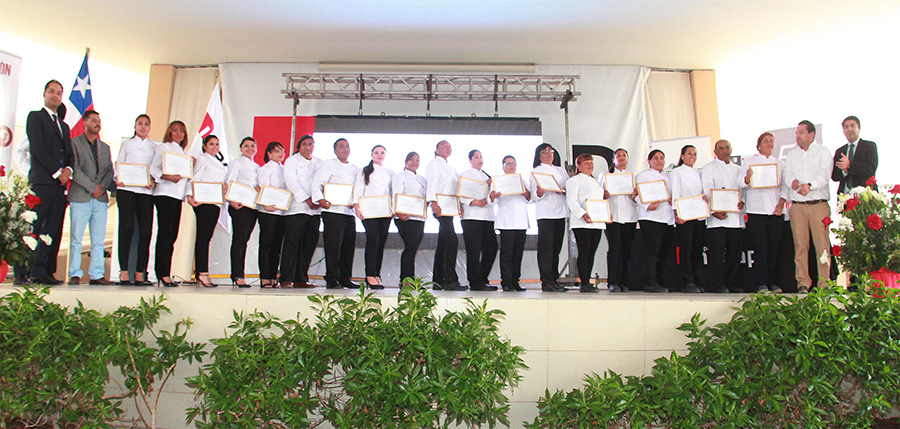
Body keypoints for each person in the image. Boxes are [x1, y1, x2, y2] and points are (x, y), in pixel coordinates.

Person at [24, 80, 74, 285]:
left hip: (59, 186)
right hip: (43, 182)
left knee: (51, 229)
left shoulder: (64, 125)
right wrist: (56, 172)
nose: (55, 95)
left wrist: (68, 171)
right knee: (34, 227)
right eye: (52, 91)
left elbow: (69, 154)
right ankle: (23, 270)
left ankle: (42, 270)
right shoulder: (36, 117)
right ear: (45, 94)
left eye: (59, 93)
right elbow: (37, 147)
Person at [785, 120, 832, 293]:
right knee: (800, 245)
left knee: (822, 245)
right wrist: (793, 182)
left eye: (802, 132)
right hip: (797, 206)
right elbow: (787, 175)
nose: (798, 136)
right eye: (797, 132)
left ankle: (825, 283)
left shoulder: (823, 152)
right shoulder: (791, 156)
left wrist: (810, 185)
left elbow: (824, 174)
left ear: (812, 134)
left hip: (818, 204)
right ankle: (803, 282)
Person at [67, 110, 114, 285]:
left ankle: (96, 274)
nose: (97, 123)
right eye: (93, 120)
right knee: (77, 238)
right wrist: (92, 187)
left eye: (99, 121)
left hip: (100, 198)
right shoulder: (74, 143)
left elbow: (109, 170)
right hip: (81, 196)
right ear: (85, 123)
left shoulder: (105, 147)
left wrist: (101, 188)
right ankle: (75, 273)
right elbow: (75, 169)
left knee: (98, 239)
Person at [739, 132, 788, 293]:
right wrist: (747, 178)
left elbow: (785, 188)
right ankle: (761, 283)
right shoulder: (750, 162)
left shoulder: (780, 164)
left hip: (775, 212)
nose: (769, 143)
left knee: (774, 248)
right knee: (761, 248)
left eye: (772, 141)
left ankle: (772, 282)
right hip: (756, 211)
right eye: (765, 141)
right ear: (758, 145)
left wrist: (781, 204)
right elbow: (740, 183)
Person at [312, 138, 359, 289]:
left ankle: (345, 277)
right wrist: (320, 199)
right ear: (335, 150)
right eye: (341, 146)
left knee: (348, 246)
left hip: (348, 212)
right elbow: (317, 183)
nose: (345, 149)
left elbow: (357, 190)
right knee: (333, 246)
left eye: (347, 146)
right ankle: (332, 278)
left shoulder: (354, 168)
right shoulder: (329, 164)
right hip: (332, 211)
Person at [115, 114, 156, 286]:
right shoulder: (127, 144)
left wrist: (152, 180)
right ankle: (124, 272)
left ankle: (140, 273)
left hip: (145, 192)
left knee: (146, 231)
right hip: (127, 189)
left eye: (146, 124)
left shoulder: (154, 147)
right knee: (126, 228)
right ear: (135, 126)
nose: (143, 127)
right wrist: (119, 178)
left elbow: (155, 168)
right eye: (140, 124)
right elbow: (119, 164)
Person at [150, 120, 190, 287]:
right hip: (165, 193)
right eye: (175, 130)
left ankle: (166, 271)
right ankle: (162, 273)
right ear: (169, 132)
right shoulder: (163, 148)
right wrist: (168, 177)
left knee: (172, 236)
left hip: (177, 196)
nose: (178, 133)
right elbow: (153, 169)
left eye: (182, 131)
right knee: (165, 234)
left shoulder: (183, 153)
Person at [701, 139, 744, 293]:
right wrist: (714, 211)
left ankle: (731, 283)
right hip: (716, 219)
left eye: (727, 148)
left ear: (731, 150)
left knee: (734, 253)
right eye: (721, 148)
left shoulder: (738, 169)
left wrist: (742, 202)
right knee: (716, 255)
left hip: (735, 219)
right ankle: (717, 284)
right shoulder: (708, 168)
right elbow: (707, 191)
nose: (725, 151)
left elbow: (742, 191)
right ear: (715, 151)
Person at [281, 135, 322, 288]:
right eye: (304, 144)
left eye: (311, 144)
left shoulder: (320, 162)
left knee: (308, 244)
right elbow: (291, 182)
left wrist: (318, 199)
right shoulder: (292, 161)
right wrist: (307, 199)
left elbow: (321, 183)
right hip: (297, 208)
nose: (308, 147)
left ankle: (301, 278)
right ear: (299, 147)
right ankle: (286, 277)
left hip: (315, 211)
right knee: (292, 244)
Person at [185, 134, 227, 288]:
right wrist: (190, 197)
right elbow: (194, 178)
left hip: (215, 203)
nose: (215, 147)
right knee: (203, 238)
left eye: (217, 144)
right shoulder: (202, 159)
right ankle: (202, 272)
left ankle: (203, 271)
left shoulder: (219, 163)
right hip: (204, 202)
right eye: (211, 144)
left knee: (207, 238)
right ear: (204, 146)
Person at [527, 143, 568, 292]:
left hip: (561, 213)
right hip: (545, 214)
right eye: (545, 152)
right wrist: (540, 192)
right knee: (546, 249)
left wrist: (562, 191)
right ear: (539, 155)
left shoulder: (561, 171)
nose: (549, 154)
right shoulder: (535, 172)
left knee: (556, 248)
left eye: (551, 151)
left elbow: (568, 190)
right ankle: (546, 281)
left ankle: (554, 278)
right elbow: (532, 197)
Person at [425, 140, 466, 291]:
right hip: (440, 206)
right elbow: (432, 183)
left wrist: (459, 205)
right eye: (444, 146)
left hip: (450, 208)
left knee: (443, 244)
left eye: (450, 146)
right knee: (452, 241)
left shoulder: (451, 168)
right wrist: (433, 202)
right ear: (436, 150)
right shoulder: (434, 164)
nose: (448, 148)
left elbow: (456, 189)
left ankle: (438, 280)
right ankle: (450, 279)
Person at [353, 145, 394, 289]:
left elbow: (392, 192)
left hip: (385, 212)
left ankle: (377, 274)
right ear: (371, 154)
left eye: (382, 152)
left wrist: (393, 208)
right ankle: (369, 274)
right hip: (369, 211)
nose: (379, 155)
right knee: (373, 240)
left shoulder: (390, 172)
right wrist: (357, 207)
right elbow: (358, 189)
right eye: (376, 152)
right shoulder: (364, 171)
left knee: (381, 242)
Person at [599, 148, 638, 293]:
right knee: (615, 249)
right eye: (618, 156)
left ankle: (624, 281)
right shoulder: (605, 175)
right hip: (613, 217)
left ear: (627, 158)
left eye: (624, 155)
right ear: (613, 159)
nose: (621, 158)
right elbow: (598, 196)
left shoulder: (633, 177)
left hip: (630, 217)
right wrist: (604, 194)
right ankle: (613, 281)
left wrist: (635, 196)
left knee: (626, 251)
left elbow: (639, 199)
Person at [566, 153, 606, 293]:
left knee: (591, 253)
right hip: (582, 222)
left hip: (597, 221)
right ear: (578, 166)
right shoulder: (575, 180)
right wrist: (583, 214)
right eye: (586, 163)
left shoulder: (595, 181)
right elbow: (571, 200)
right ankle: (584, 282)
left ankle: (588, 279)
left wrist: (605, 213)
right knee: (584, 251)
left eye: (591, 162)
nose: (589, 165)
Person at [460, 150, 499, 291]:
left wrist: (490, 196)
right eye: (476, 157)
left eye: (481, 156)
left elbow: (493, 199)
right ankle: (475, 282)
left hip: (488, 218)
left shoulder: (488, 176)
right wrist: (476, 202)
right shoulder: (465, 175)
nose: (479, 159)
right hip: (471, 217)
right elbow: (461, 196)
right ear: (470, 160)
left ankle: (483, 278)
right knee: (474, 251)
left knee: (491, 248)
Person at [637, 149, 674, 293]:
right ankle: (650, 282)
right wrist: (648, 204)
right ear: (649, 161)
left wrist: (672, 199)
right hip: (651, 217)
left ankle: (659, 279)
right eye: (656, 158)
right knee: (652, 251)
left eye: (662, 158)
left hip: (667, 218)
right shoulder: (643, 176)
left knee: (664, 251)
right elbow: (639, 194)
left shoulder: (668, 176)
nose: (659, 160)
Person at [669, 145, 705, 293]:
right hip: (685, 215)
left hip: (699, 214)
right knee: (686, 249)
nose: (692, 156)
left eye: (695, 154)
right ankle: (686, 281)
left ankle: (696, 279)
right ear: (682, 156)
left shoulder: (698, 173)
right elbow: (676, 192)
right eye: (689, 153)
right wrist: (677, 213)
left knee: (697, 249)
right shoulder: (676, 172)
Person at [492, 155, 530, 292]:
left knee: (518, 254)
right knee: (507, 254)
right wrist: (493, 196)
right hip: (506, 221)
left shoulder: (522, 180)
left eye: (513, 163)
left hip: (521, 222)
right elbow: (492, 201)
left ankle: (515, 281)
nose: (511, 166)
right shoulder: (497, 181)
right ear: (503, 166)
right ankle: (506, 282)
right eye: (508, 163)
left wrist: (526, 193)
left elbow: (529, 199)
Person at [226, 137, 260, 288]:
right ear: (241, 148)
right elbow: (230, 181)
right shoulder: (236, 163)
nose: (249, 148)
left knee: (244, 241)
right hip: (239, 206)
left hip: (252, 207)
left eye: (252, 146)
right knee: (239, 240)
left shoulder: (258, 167)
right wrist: (232, 201)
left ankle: (240, 273)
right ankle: (237, 275)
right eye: (246, 146)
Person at [392, 152, 427, 287]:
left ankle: (410, 279)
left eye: (417, 160)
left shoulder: (423, 179)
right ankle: (405, 280)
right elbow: (396, 194)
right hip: (405, 217)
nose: (414, 162)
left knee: (413, 248)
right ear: (406, 161)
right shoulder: (399, 176)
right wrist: (398, 212)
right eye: (412, 159)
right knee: (411, 245)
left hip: (419, 217)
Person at [256, 141, 287, 288]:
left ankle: (274, 276)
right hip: (267, 211)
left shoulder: (285, 169)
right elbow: (263, 187)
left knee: (276, 246)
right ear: (269, 154)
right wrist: (266, 205)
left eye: (281, 150)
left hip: (281, 211)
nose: (280, 153)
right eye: (276, 151)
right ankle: (265, 277)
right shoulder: (265, 168)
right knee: (266, 244)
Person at [832, 115, 878, 195]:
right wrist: (844, 171)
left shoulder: (869, 146)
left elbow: (870, 169)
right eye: (846, 127)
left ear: (859, 128)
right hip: (845, 196)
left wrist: (849, 165)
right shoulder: (840, 151)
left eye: (852, 126)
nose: (849, 129)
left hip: (865, 195)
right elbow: (835, 176)